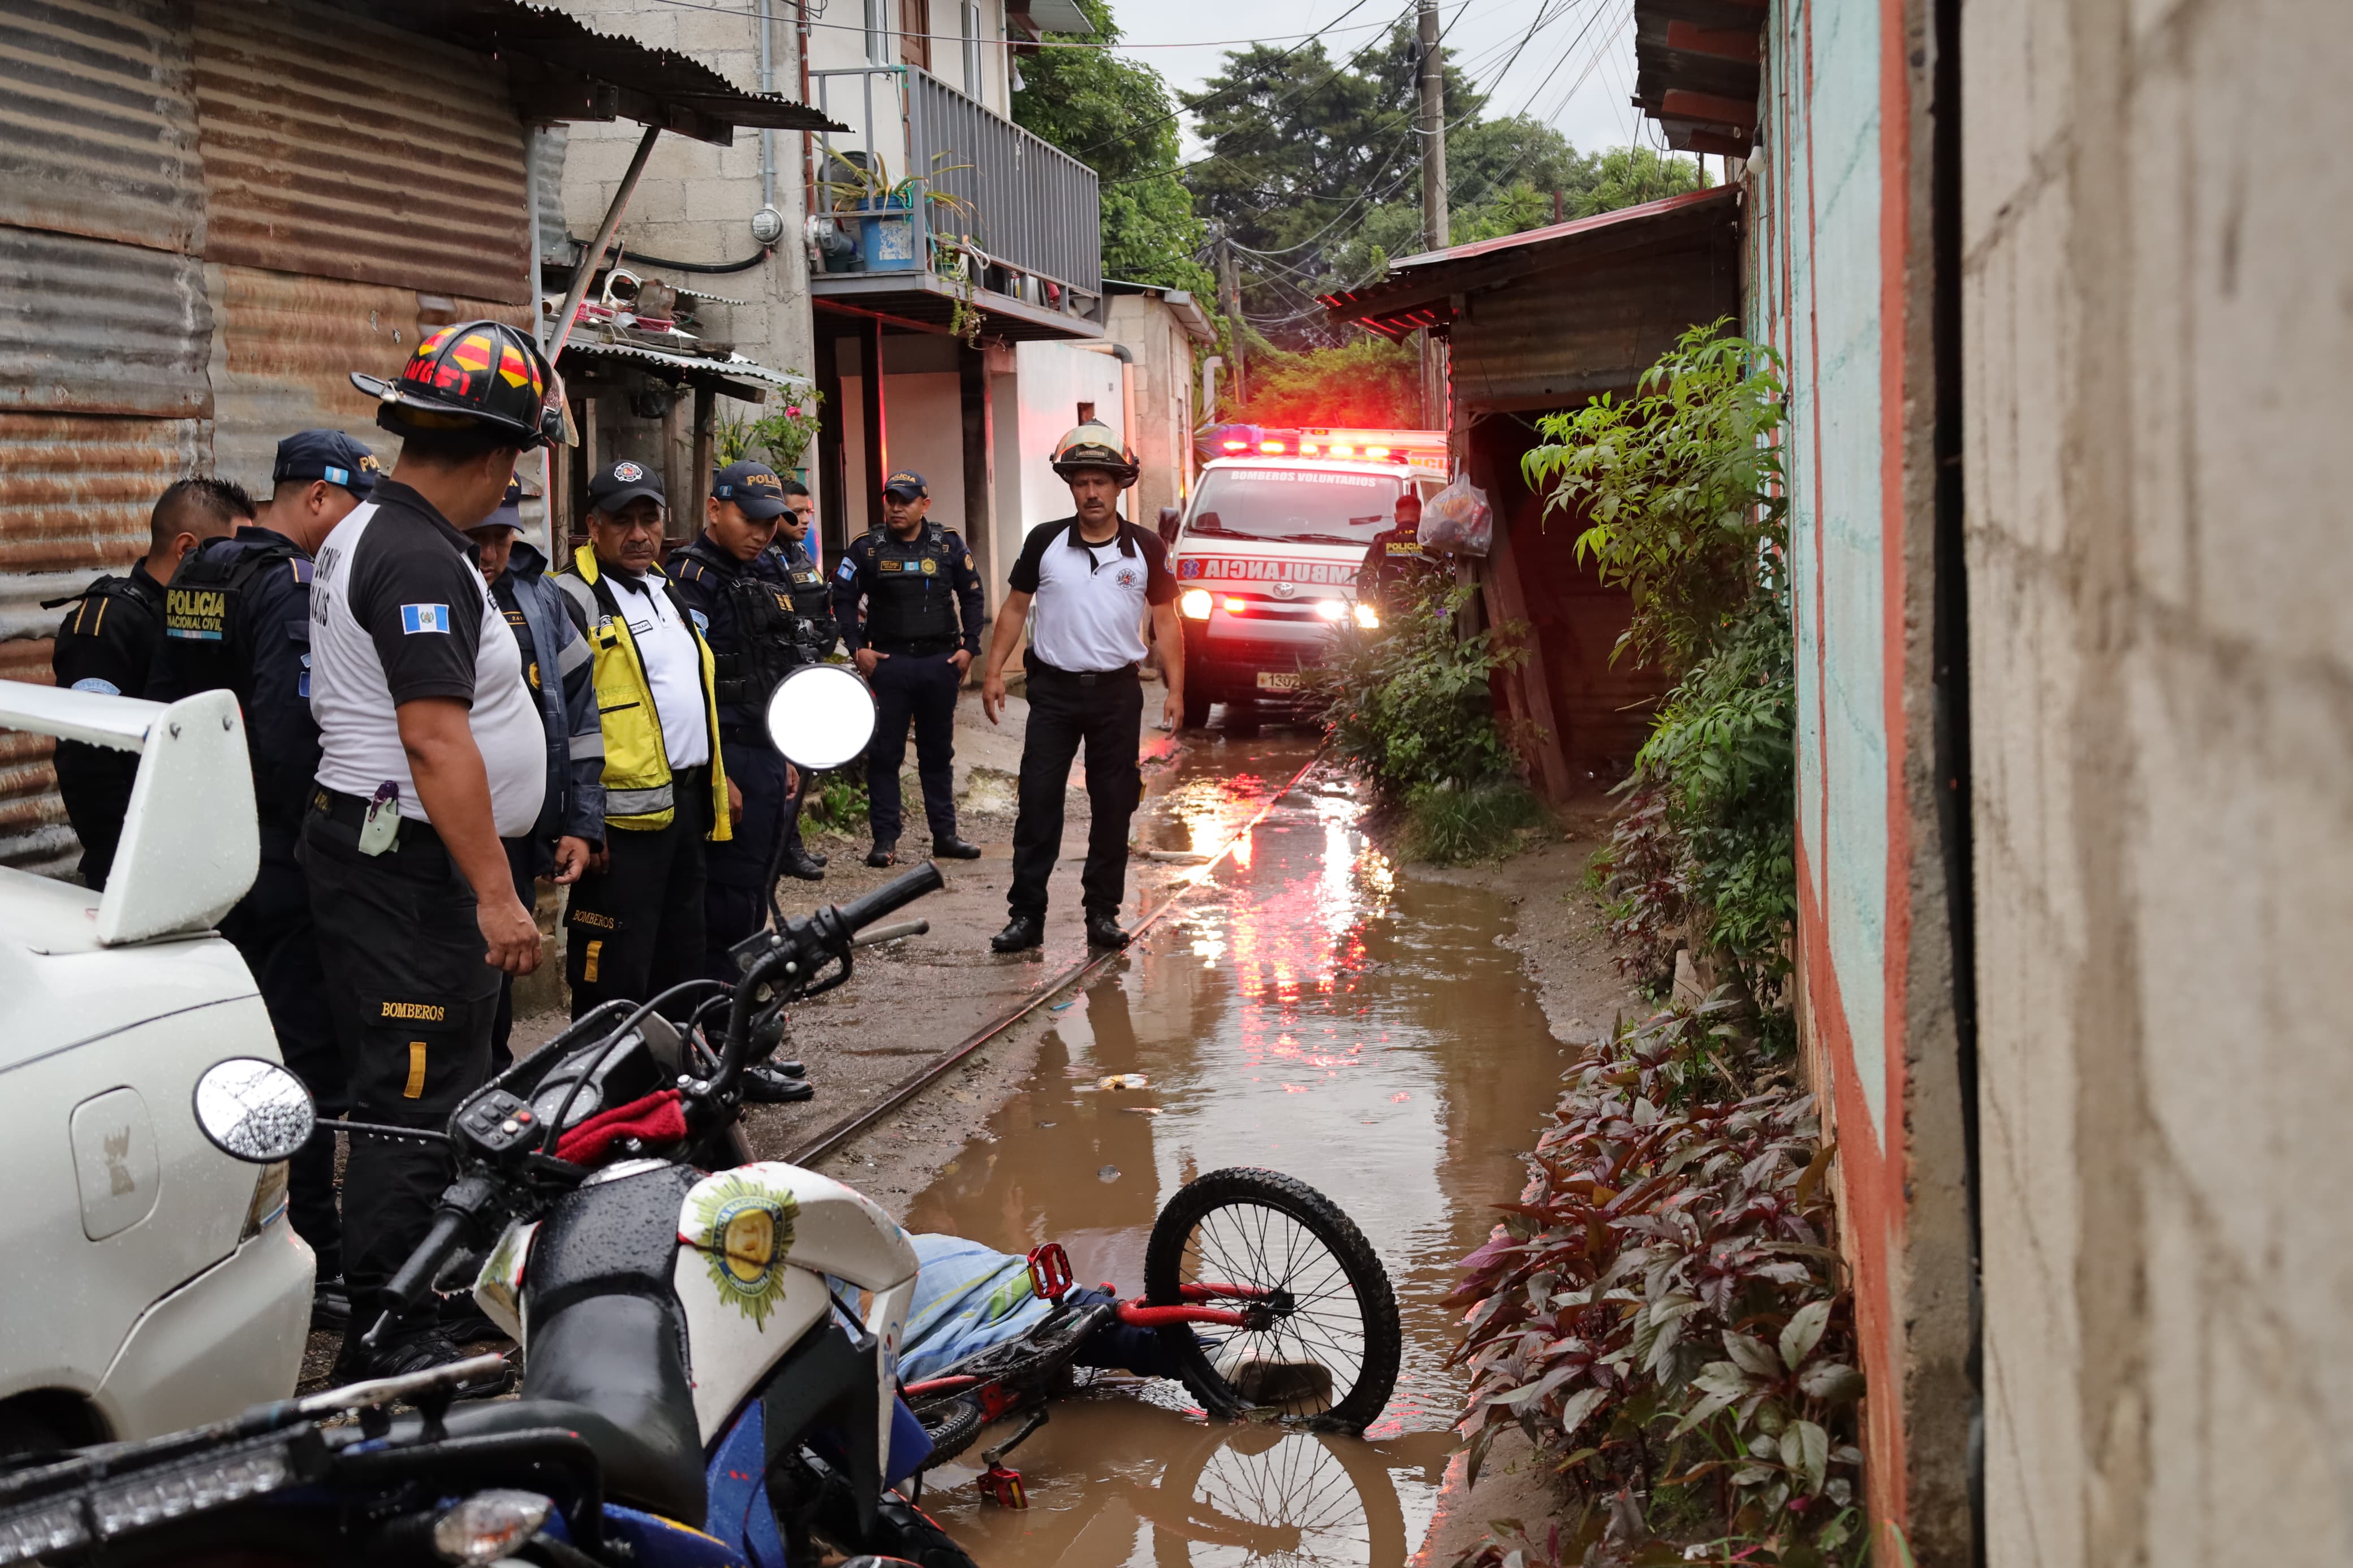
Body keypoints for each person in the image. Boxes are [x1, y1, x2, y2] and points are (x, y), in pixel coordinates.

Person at [308, 320, 558, 1384]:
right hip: (408, 867)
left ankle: (436, 1284)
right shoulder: (415, 553)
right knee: (414, 1094)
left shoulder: (384, 531)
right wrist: (498, 896)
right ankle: (392, 1323)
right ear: (501, 457)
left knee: (445, 1078)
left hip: (397, 854)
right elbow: (432, 734)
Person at [148, 431, 376, 1331]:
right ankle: (308, 1251)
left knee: (216, 1056)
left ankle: (212, 1241)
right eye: (354, 510)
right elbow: (287, 737)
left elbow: (172, 702)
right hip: (279, 857)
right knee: (301, 1061)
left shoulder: (204, 574)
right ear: (316, 499)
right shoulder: (291, 585)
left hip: (200, 849)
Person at [980, 424, 1182, 953]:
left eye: (1101, 482)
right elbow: (1015, 609)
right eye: (1081, 482)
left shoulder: (1146, 547)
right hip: (1053, 693)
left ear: (1120, 487)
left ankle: (1102, 913)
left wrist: (1177, 689)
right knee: (1039, 800)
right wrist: (995, 670)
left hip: (1117, 694)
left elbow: (1168, 621)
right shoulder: (1044, 541)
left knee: (1114, 803)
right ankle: (1026, 915)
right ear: (1070, 487)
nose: (1091, 492)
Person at [554, 461, 733, 1022]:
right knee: (614, 971)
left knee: (681, 958)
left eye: (648, 518)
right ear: (593, 525)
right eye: (621, 520)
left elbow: (688, 697)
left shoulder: (665, 590)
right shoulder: (568, 599)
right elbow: (556, 719)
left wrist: (715, 778)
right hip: (616, 827)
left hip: (683, 807)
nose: (638, 533)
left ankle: (676, 1087)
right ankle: (608, 1093)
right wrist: (581, 819)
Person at [461, 478, 601, 1070]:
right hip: (446, 832)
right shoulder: (426, 589)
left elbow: (580, 713)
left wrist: (581, 819)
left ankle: (491, 1089)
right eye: (476, 539)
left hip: (518, 836)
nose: (489, 555)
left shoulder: (540, 598)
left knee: (500, 977)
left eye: (500, 538)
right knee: (456, 980)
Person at [48, 478, 247, 888]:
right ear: (188, 549)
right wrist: (133, 859)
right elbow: (87, 760)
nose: (239, 572)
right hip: (133, 870)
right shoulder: (110, 623)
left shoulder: (195, 619)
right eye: (231, 556)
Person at [831, 470, 985, 867]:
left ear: (924, 505)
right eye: (891, 500)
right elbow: (842, 597)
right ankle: (885, 841)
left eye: (906, 501)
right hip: (889, 663)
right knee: (885, 754)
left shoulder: (947, 543)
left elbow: (972, 594)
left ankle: (945, 835)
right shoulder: (867, 549)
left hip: (939, 663)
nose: (896, 508)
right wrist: (856, 648)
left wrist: (970, 647)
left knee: (937, 752)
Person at [1354, 490, 1435, 610]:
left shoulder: (1382, 541)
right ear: (1419, 517)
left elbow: (1364, 576)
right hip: (1422, 610)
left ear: (1396, 517)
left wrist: (1370, 604)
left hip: (1387, 610)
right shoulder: (1428, 542)